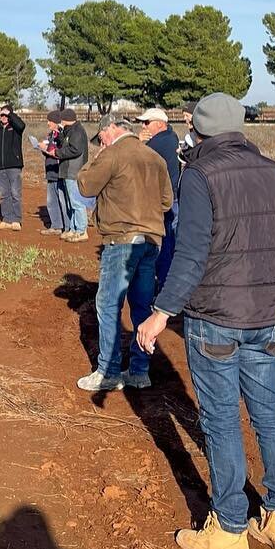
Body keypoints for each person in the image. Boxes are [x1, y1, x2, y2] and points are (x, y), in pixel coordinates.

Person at [136, 94, 275, 549]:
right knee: (270, 413)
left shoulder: (200, 175)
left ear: (197, 128)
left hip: (217, 317)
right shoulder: (272, 171)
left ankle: (229, 528)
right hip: (266, 313)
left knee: (221, 420)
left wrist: (161, 311)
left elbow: (190, 254)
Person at [73, 113, 173, 392]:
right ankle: (140, 371)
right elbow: (167, 201)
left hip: (121, 240)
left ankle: (108, 370)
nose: (100, 142)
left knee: (108, 306)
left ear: (111, 129)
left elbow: (86, 185)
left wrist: (98, 157)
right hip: (151, 241)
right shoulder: (154, 157)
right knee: (142, 305)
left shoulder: (113, 153)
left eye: (101, 137)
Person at [136, 108, 181, 289]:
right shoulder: (171, 137)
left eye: (147, 123)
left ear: (160, 124)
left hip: (161, 200)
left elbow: (138, 158)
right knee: (168, 240)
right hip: (170, 197)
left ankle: (164, 284)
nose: (143, 126)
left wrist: (139, 143)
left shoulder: (159, 142)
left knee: (161, 243)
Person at [52, 109, 90, 241]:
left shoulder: (77, 132)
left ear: (66, 119)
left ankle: (81, 231)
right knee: (71, 203)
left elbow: (75, 149)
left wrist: (58, 153)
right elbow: (65, 144)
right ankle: (74, 229)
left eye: (62, 119)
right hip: (68, 170)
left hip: (74, 171)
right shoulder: (71, 130)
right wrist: (61, 133)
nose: (60, 121)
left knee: (77, 203)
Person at [0, 104, 26, 231]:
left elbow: (21, 125)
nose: (3, 117)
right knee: (4, 194)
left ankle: (16, 220)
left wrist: (10, 114)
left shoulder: (15, 127)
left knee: (15, 193)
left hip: (14, 165)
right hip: (0, 167)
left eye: (5, 115)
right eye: (2, 115)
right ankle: (6, 219)